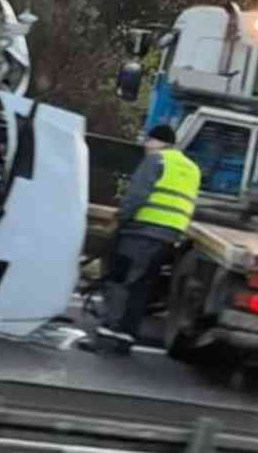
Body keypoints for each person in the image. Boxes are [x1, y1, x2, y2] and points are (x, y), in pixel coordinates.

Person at [79, 124, 202, 355]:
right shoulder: (192, 168)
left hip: (141, 231)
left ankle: (106, 337)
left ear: (156, 141)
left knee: (119, 281)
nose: (145, 146)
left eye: (148, 141)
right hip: (168, 236)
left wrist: (121, 218)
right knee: (140, 287)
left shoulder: (157, 161)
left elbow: (137, 195)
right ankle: (125, 339)